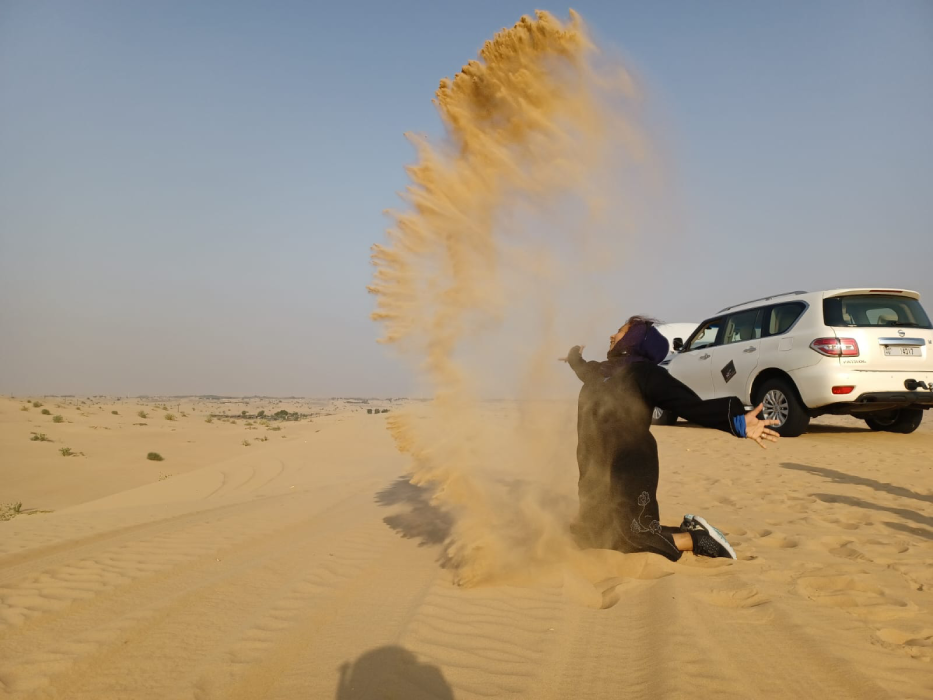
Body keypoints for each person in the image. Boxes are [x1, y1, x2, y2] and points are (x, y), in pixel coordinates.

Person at [560, 316, 779, 560]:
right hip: (594, 466)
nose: (612, 336)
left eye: (620, 332)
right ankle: (682, 532)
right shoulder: (599, 373)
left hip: (629, 462)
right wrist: (572, 355)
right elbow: (580, 366)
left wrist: (738, 422)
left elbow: (687, 404)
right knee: (593, 536)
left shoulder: (645, 374)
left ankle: (697, 538)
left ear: (636, 339)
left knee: (633, 536)